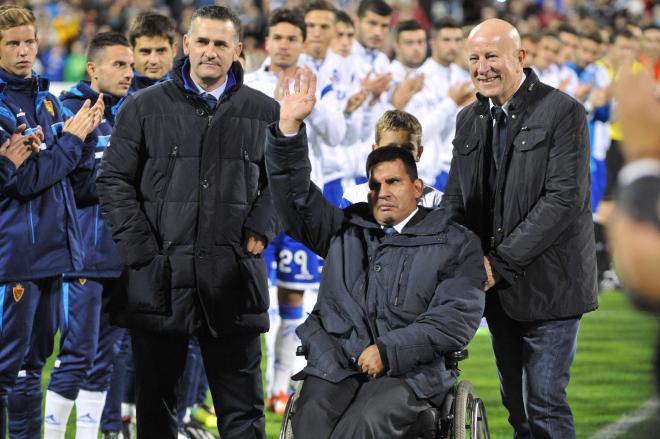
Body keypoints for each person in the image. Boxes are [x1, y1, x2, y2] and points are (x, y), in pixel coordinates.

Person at [265, 67, 486, 439]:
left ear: (418, 186)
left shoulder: (454, 240)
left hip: (411, 372)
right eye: (375, 184)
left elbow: (454, 320)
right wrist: (288, 130)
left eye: (394, 182)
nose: (382, 191)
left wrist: (388, 349)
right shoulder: (346, 227)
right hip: (338, 363)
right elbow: (296, 199)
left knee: (361, 426)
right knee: (310, 424)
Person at [96, 5, 278, 439]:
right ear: (186, 45)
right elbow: (114, 181)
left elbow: (286, 184)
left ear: (237, 50)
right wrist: (142, 252)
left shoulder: (265, 112)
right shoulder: (142, 108)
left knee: (243, 415)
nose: (210, 51)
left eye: (220, 44)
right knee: (155, 414)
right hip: (160, 282)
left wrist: (262, 224)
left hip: (233, 281)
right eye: (202, 41)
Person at [442, 19, 598, 439]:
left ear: (520, 58)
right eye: (474, 58)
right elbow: (457, 200)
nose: (482, 68)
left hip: (552, 285)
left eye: (492, 56)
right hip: (499, 291)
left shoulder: (563, 111)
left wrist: (498, 262)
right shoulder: (469, 119)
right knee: (518, 410)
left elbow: (563, 200)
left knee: (544, 404)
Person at [0, 4, 104, 437]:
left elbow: (66, 176)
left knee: (34, 366)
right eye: (12, 43)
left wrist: (78, 138)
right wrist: (71, 138)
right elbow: (24, 181)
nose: (24, 51)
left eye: (29, 41)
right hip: (14, 256)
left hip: (52, 252)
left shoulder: (44, 98)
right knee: (5, 371)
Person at [42, 32, 133, 439]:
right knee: (76, 355)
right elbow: (60, 181)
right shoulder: (66, 110)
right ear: (93, 68)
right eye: (119, 65)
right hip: (82, 254)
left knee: (104, 357)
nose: (128, 73)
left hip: (121, 256)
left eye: (129, 65)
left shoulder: (133, 111)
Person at [340, 109, 442, 207]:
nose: (398, 155)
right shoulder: (354, 198)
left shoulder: (435, 201)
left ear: (419, 153)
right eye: (390, 148)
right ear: (375, 151)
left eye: (407, 149)